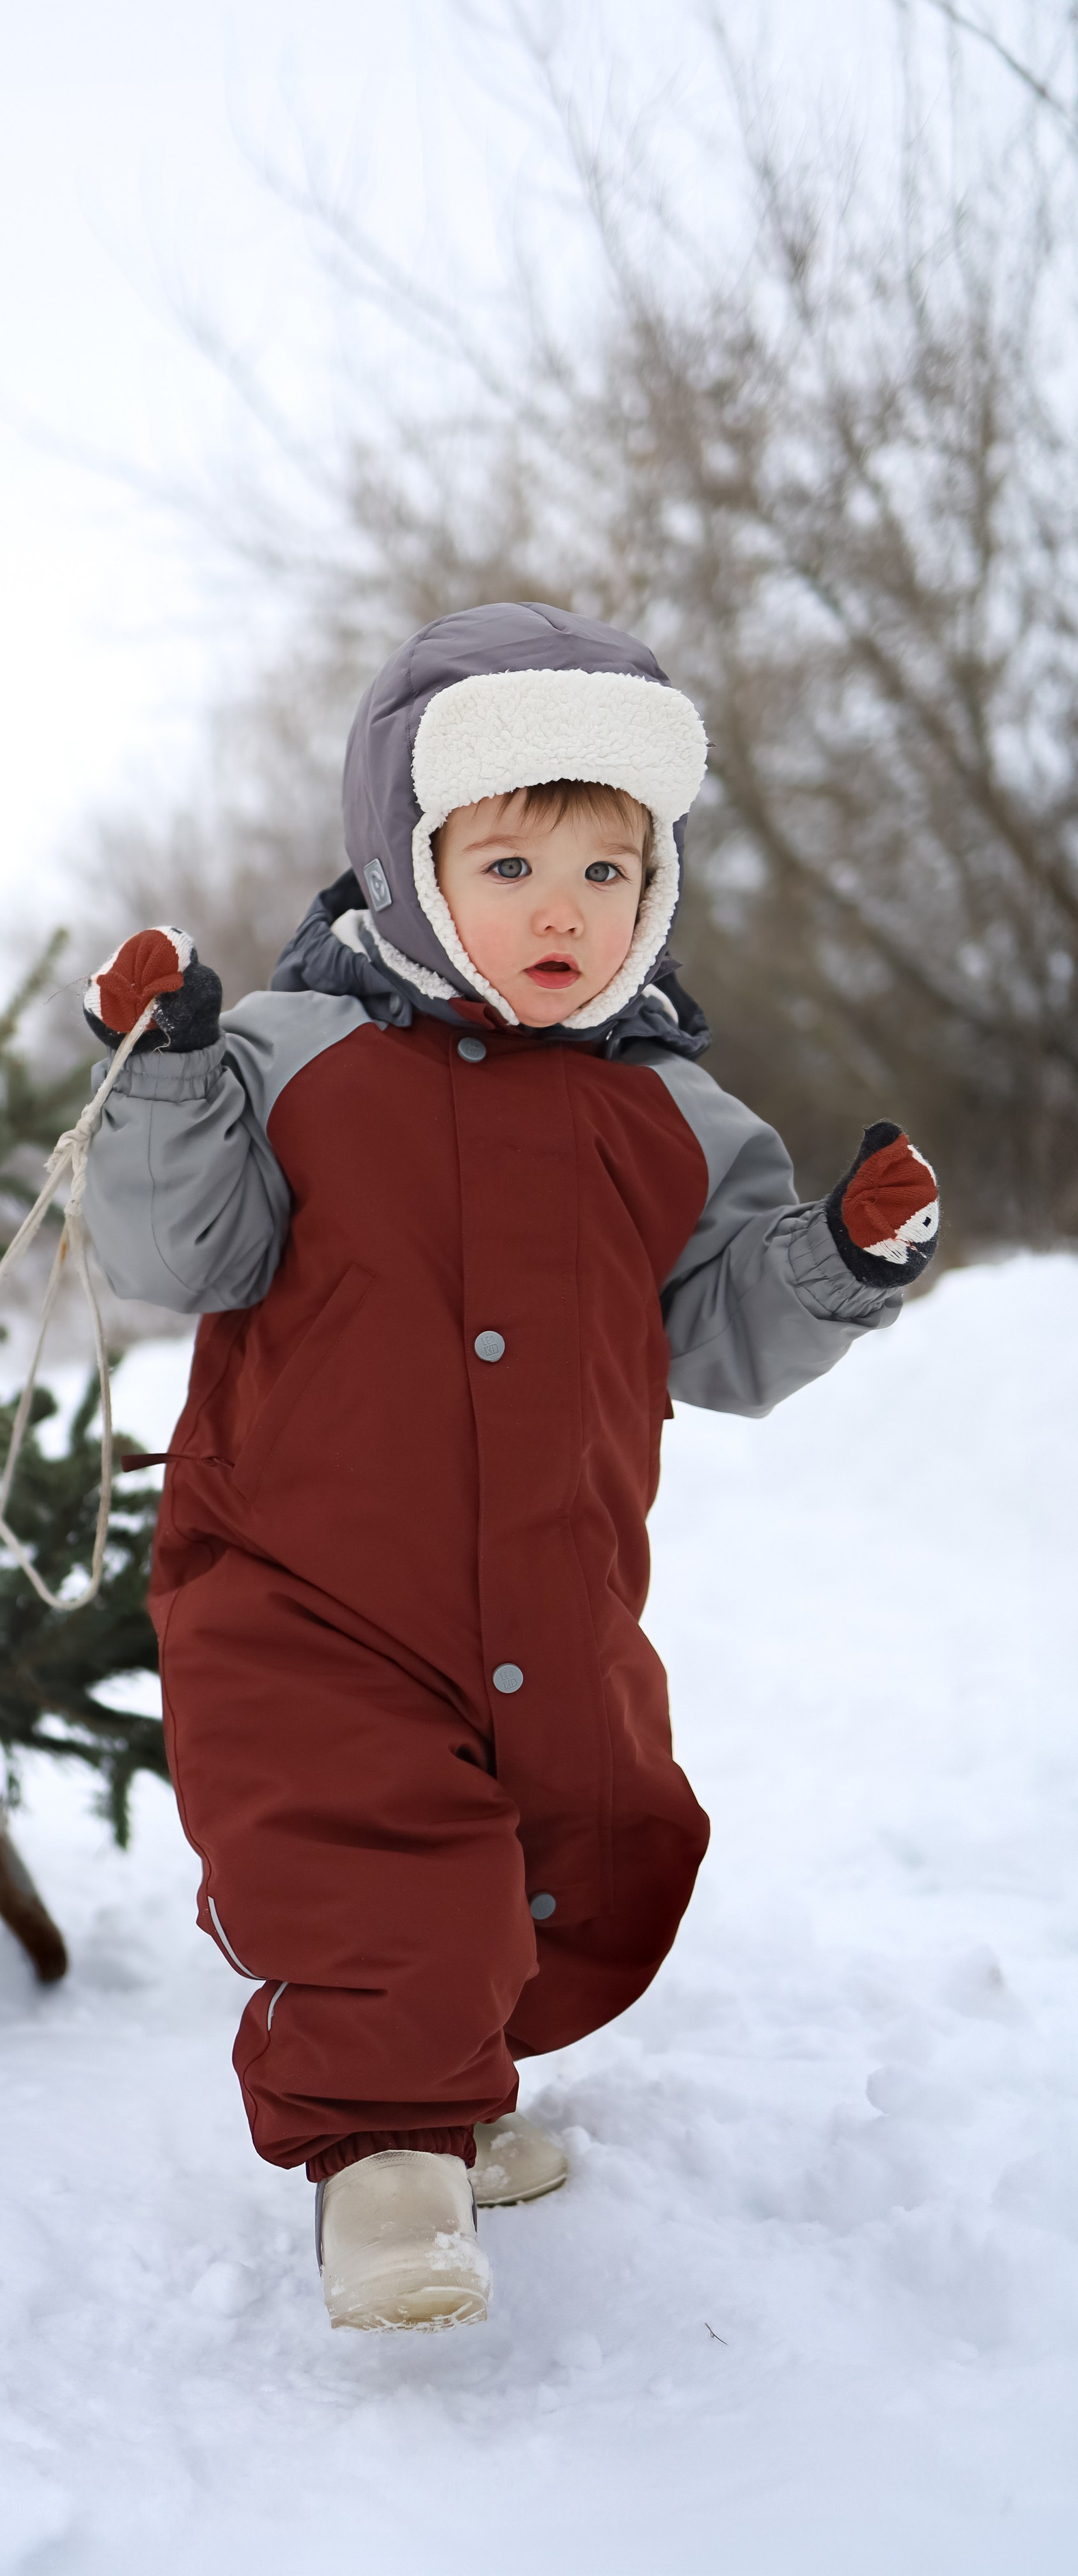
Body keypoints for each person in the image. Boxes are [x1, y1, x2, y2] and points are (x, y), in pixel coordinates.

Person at [79, 603, 940, 2333]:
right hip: (305, 1585)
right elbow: (185, 1258)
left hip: (547, 1590)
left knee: (565, 1845)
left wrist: (834, 1260)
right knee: (378, 1852)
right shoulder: (292, 1060)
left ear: (656, 890)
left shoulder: (675, 1115)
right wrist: (167, 1081)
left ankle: (448, 2095)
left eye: (607, 872)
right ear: (408, 865)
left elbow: (714, 1336)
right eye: (510, 858)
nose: (562, 909)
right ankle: (384, 2170)